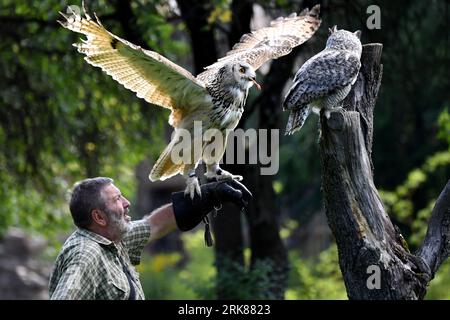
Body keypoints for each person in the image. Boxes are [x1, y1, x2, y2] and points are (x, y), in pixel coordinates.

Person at [49, 177, 252, 300]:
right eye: (117, 199)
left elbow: (154, 224)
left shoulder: (111, 240)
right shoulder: (86, 254)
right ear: (99, 217)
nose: (127, 203)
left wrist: (210, 195)